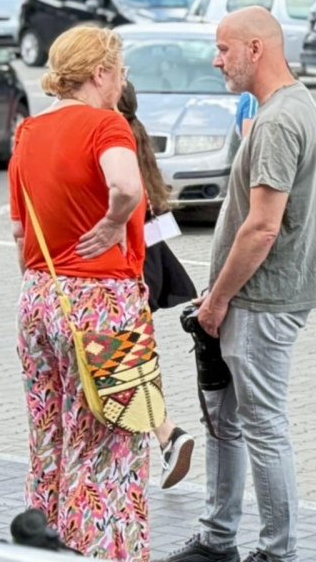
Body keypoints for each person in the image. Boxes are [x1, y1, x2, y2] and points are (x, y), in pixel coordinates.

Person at [164, 7, 316, 562]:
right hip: (255, 296)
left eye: (223, 48)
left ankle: (276, 552)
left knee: (260, 424)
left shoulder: (280, 120)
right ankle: (217, 538)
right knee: (226, 422)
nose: (217, 59)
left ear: (255, 48)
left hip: (262, 299)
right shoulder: (290, 105)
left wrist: (218, 299)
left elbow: (261, 227)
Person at [9, 26, 151, 559]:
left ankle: (37, 548)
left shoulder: (28, 131)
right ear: (100, 73)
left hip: (39, 295)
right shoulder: (106, 126)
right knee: (110, 444)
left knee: (49, 438)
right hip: (103, 301)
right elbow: (127, 186)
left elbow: (20, 232)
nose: (121, 82)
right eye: (121, 72)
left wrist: (42, 290)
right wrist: (116, 220)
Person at [119, 81, 198, 491]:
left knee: (124, 363)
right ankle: (165, 435)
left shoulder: (113, 143)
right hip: (149, 269)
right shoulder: (136, 139)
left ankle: (165, 432)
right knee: (135, 357)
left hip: (129, 271)